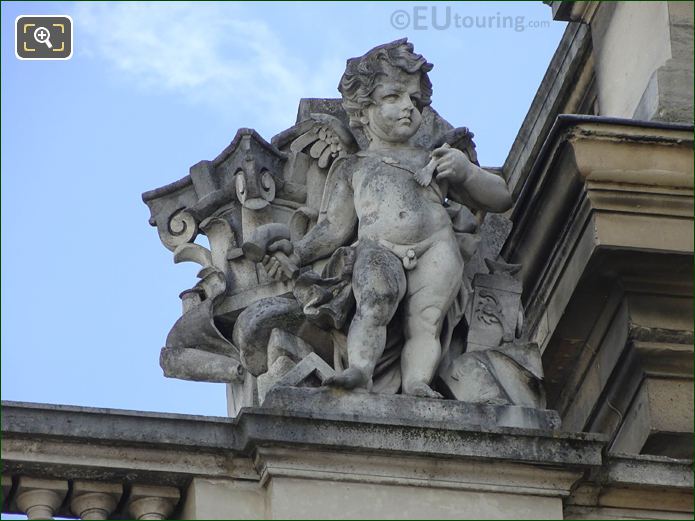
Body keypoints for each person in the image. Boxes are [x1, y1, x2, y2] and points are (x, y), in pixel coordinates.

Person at [267, 39, 512, 397]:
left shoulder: (436, 157)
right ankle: (360, 370)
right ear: (363, 110)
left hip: (437, 247)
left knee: (426, 320)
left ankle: (416, 382)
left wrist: (467, 173)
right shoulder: (353, 167)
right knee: (375, 300)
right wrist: (298, 253)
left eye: (415, 100)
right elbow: (333, 229)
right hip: (379, 246)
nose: (408, 108)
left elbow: (502, 197)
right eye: (393, 97)